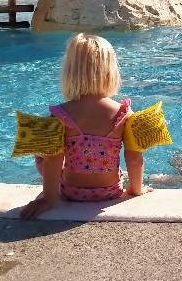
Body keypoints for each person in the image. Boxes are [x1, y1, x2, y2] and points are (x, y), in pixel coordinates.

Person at [20, 33, 153, 219]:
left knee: (42, 155)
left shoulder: (59, 115)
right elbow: (134, 158)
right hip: (111, 191)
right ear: (110, 71)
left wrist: (49, 199)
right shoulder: (124, 114)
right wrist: (136, 190)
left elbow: (53, 162)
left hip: (70, 191)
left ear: (70, 72)